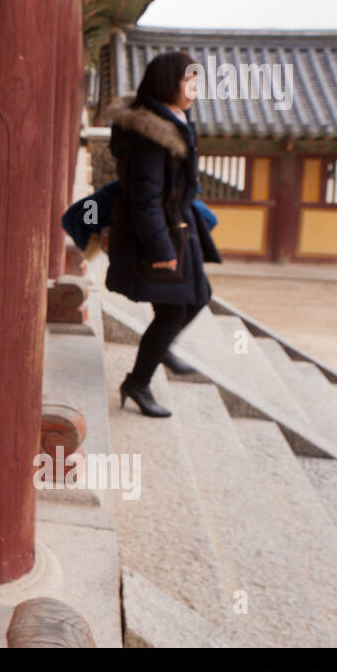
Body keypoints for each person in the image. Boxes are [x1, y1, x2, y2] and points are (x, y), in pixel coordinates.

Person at [105, 51, 221, 417]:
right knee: (172, 312)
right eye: (188, 82)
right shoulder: (150, 135)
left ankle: (160, 346)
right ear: (167, 84)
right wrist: (160, 247)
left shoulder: (177, 118)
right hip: (159, 231)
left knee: (199, 296)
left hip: (181, 224)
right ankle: (137, 383)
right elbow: (144, 199)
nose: (195, 90)